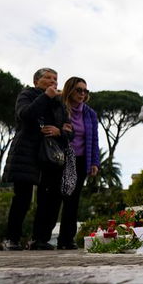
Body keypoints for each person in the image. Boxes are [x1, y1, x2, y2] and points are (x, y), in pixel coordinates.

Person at [2, 67, 71, 250]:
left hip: (50, 156)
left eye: (55, 78)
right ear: (36, 81)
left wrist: (59, 131)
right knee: (22, 198)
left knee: (48, 200)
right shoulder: (27, 95)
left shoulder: (60, 103)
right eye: (48, 78)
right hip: (26, 153)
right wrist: (45, 96)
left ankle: (39, 239)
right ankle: (12, 239)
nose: (53, 81)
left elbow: (69, 130)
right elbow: (25, 115)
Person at [55, 77, 102, 250]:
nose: (83, 94)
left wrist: (95, 162)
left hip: (80, 161)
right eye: (79, 90)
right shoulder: (59, 107)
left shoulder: (90, 114)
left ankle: (67, 239)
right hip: (60, 158)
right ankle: (41, 238)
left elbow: (94, 140)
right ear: (70, 90)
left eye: (85, 91)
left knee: (72, 201)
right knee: (54, 198)